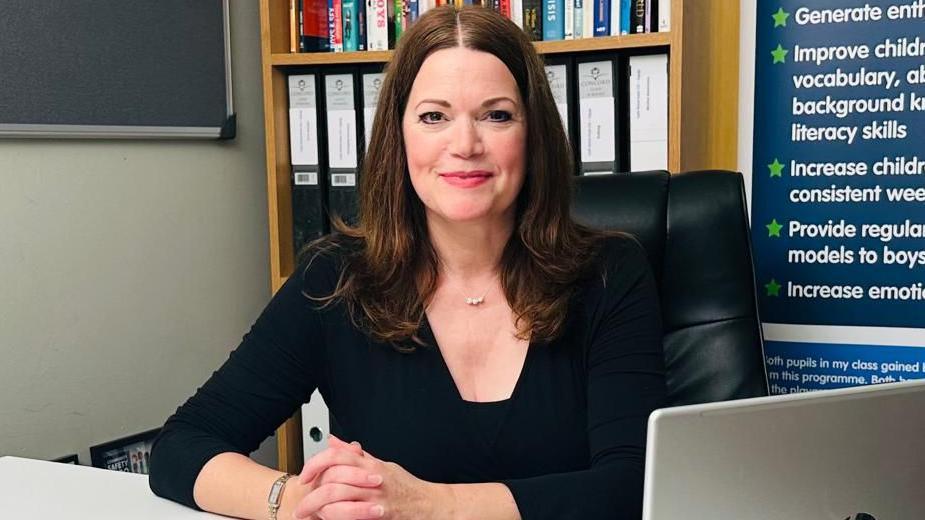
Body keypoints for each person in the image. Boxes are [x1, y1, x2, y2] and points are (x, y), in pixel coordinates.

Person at [149, 5, 665, 520]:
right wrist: (301, 501)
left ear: (534, 136)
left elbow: (635, 488)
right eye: (434, 116)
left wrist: (432, 506)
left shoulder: (607, 272)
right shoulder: (336, 277)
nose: (465, 145)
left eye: (497, 115)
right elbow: (182, 447)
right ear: (399, 137)